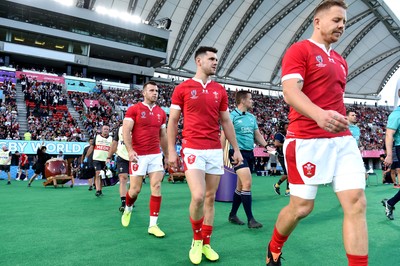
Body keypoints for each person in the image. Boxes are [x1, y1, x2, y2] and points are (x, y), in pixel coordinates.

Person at [265, 1, 368, 265]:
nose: (342, 26)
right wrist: (320, 115)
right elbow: (290, 92)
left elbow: (334, 98)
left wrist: (336, 118)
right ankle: (274, 247)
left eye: (344, 21)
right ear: (318, 22)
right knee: (302, 207)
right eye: (336, 20)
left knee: (357, 203)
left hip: (342, 140)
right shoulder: (300, 50)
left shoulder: (341, 61)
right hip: (306, 140)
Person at [167, 46, 243, 265]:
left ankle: (206, 243)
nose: (215, 62)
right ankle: (196, 240)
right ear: (198, 61)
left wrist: (235, 149)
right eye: (211, 58)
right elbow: (172, 121)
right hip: (192, 148)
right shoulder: (182, 88)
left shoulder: (219, 90)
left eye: (216, 59)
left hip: (214, 150)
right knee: (198, 196)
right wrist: (172, 150)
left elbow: (226, 122)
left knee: (210, 198)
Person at [121, 81, 168, 238]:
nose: (155, 93)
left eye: (156, 90)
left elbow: (163, 136)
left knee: (156, 186)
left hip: (155, 154)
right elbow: (126, 130)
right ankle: (128, 207)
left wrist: (167, 155)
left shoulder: (161, 113)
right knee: (135, 190)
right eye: (152, 90)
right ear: (144, 93)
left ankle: (153, 225)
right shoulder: (134, 109)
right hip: (138, 155)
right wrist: (130, 151)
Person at [221, 90, 267, 229]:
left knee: (240, 187)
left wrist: (267, 146)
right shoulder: (231, 116)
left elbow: (257, 135)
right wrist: (219, 155)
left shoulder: (252, 117)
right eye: (250, 99)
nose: (252, 101)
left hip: (249, 153)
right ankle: (251, 219)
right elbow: (223, 136)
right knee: (247, 183)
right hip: (236, 154)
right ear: (242, 101)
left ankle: (232, 215)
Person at [381, 89, 400, 220]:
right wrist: (388, 155)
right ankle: (390, 203)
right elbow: (389, 134)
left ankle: (390, 202)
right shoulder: (396, 114)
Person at [107, 126, 130, 213]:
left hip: (135, 156)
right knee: (123, 177)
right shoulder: (120, 129)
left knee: (135, 182)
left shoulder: (139, 127)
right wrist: (109, 156)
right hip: (122, 156)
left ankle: (130, 198)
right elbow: (114, 143)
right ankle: (123, 202)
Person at [92, 125, 112, 196]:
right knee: (97, 173)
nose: (106, 130)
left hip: (106, 160)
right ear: (101, 130)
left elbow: (113, 149)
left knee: (102, 175)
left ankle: (100, 189)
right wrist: (87, 157)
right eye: (104, 129)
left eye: (107, 129)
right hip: (97, 158)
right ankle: (98, 190)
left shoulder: (111, 139)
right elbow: (92, 147)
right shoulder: (97, 137)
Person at [272, 120, 290, 196]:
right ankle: (287, 190)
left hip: (287, 155)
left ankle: (278, 185)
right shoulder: (279, 134)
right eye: (286, 127)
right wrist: (286, 144)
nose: (288, 128)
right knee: (288, 173)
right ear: (282, 127)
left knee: (288, 173)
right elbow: (276, 143)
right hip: (282, 156)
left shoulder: (287, 134)